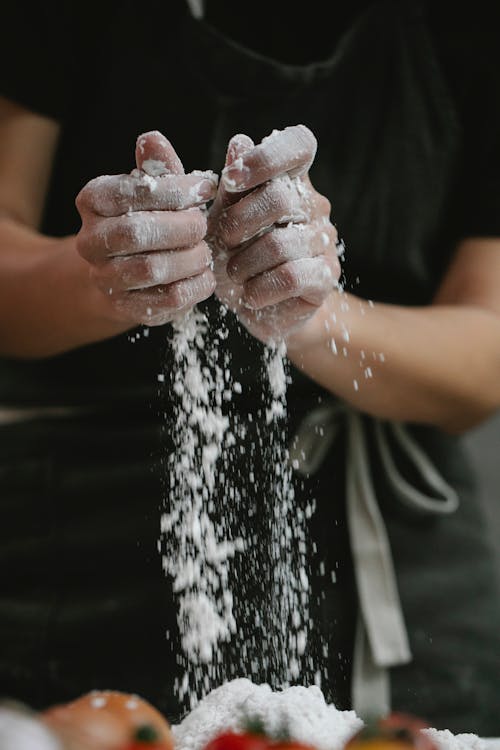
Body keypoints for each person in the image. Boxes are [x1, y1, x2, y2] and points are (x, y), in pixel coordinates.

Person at [1, 0, 500, 735]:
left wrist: (315, 313)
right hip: (85, 542)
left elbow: (483, 364)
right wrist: (103, 274)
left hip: (400, 566)